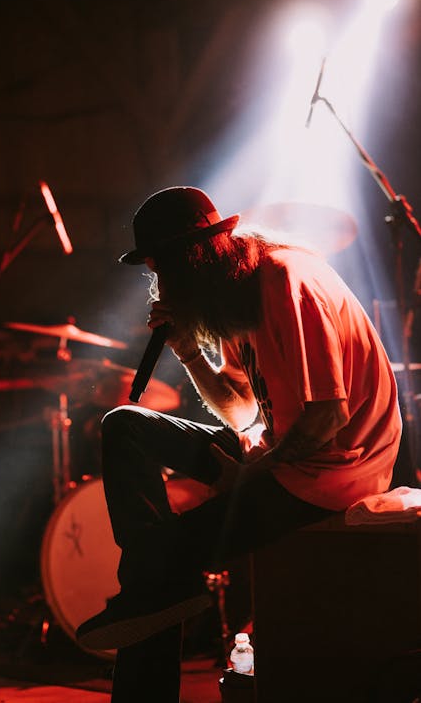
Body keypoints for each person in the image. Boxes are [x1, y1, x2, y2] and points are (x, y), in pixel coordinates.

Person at [76, 186, 402, 702]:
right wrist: (187, 350)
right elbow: (241, 410)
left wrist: (257, 471)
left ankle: (147, 605)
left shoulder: (287, 282)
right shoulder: (235, 290)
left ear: (192, 257)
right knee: (125, 425)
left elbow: (327, 416)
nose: (160, 284)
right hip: (279, 456)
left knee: (159, 572)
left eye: (162, 269)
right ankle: (150, 591)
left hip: (332, 472)